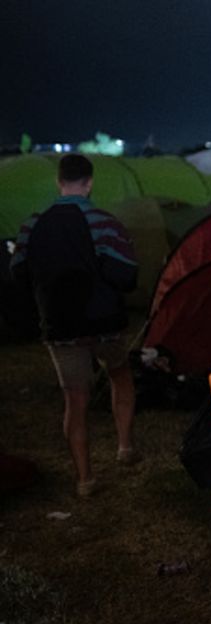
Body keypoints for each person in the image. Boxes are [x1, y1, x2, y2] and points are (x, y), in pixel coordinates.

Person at [10, 154, 139, 497]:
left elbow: (18, 273)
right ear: (90, 182)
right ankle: (125, 446)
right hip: (105, 323)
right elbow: (127, 275)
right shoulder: (106, 223)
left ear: (59, 181)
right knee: (120, 374)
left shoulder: (31, 225)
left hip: (60, 327)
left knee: (75, 400)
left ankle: (84, 479)